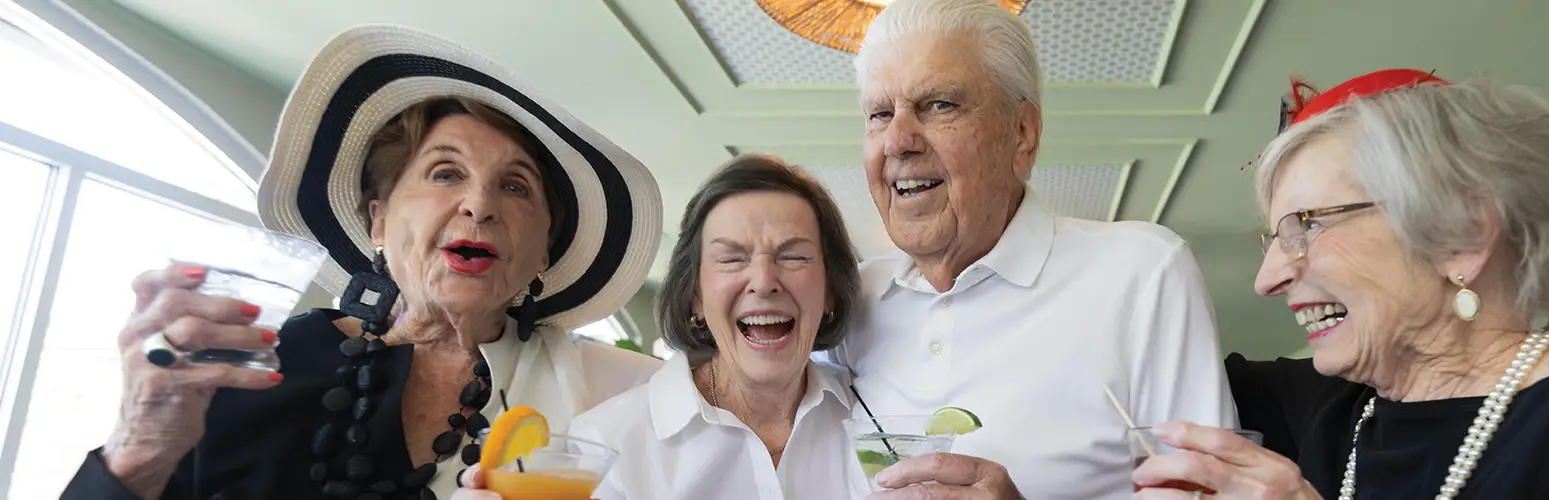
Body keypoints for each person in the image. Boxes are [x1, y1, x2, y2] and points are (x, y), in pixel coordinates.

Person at [1130, 69, 1549, 499]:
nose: (1268, 277)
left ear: (1461, 235)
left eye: (1305, 226)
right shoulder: (1335, 409)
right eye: (1273, 239)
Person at [61, 25, 668, 499]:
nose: (479, 205)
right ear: (378, 222)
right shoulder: (263, 362)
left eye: (516, 187)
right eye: (445, 172)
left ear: (543, 254)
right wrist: (140, 448)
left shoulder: (613, 394)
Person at [827, 0, 1237, 498]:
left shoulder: (1143, 271)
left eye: (939, 105)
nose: (896, 141)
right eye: (879, 113)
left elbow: (1210, 493)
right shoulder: (847, 297)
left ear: (1022, 133)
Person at [456, 154, 870, 499]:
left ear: (831, 292)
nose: (764, 282)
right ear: (695, 298)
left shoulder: (877, 418)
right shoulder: (606, 442)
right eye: (731, 259)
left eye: (793, 256)